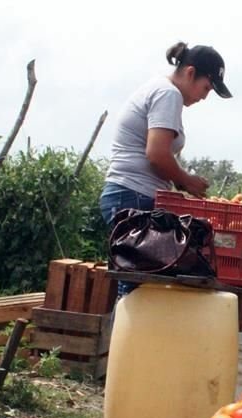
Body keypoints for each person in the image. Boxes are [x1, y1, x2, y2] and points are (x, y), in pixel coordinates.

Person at [99, 42, 232, 293]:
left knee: (140, 285)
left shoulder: (162, 91)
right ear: (190, 73)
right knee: (137, 288)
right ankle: (129, 333)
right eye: (206, 88)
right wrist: (187, 180)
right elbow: (157, 154)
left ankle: (129, 332)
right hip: (132, 196)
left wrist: (180, 182)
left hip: (131, 195)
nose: (205, 96)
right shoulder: (168, 94)